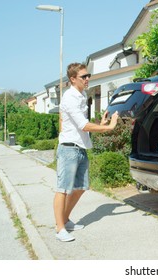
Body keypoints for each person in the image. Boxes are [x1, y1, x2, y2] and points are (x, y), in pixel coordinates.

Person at [54, 62, 119, 242]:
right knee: (63, 189)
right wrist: (110, 127)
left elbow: (81, 125)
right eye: (84, 76)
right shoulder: (70, 97)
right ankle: (59, 229)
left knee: (81, 187)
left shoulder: (81, 95)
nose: (87, 78)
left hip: (80, 147)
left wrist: (102, 124)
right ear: (73, 79)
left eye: (88, 75)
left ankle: (65, 220)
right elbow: (83, 125)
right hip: (68, 149)